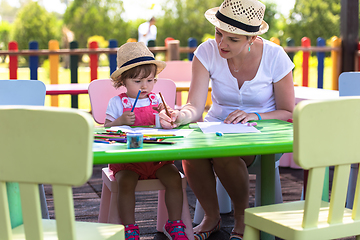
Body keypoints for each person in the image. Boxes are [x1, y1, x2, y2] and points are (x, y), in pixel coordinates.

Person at [160, 0, 295, 239]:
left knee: (224, 153)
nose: (221, 43)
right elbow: (194, 106)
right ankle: (211, 217)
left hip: (263, 137)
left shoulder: (276, 57)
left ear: (251, 39)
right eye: (218, 34)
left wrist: (255, 115)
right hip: (216, 131)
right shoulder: (205, 52)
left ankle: (242, 218)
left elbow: (288, 112)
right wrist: (180, 116)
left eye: (232, 39)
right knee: (191, 154)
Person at [106, 42, 189, 240]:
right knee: (125, 184)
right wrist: (120, 121)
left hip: (157, 158)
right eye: (137, 81)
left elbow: (169, 121)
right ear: (123, 81)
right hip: (128, 161)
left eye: (150, 80)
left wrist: (169, 118)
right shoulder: (118, 103)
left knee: (175, 179)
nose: (145, 86)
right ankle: (129, 227)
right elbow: (107, 129)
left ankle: (174, 223)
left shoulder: (156, 102)